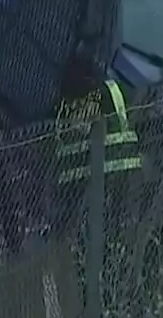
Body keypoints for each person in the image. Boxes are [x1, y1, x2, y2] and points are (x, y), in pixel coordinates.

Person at [51, 54, 144, 238]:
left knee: (82, 227)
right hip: (121, 166)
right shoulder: (116, 90)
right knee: (115, 223)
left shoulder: (63, 101)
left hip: (81, 175)